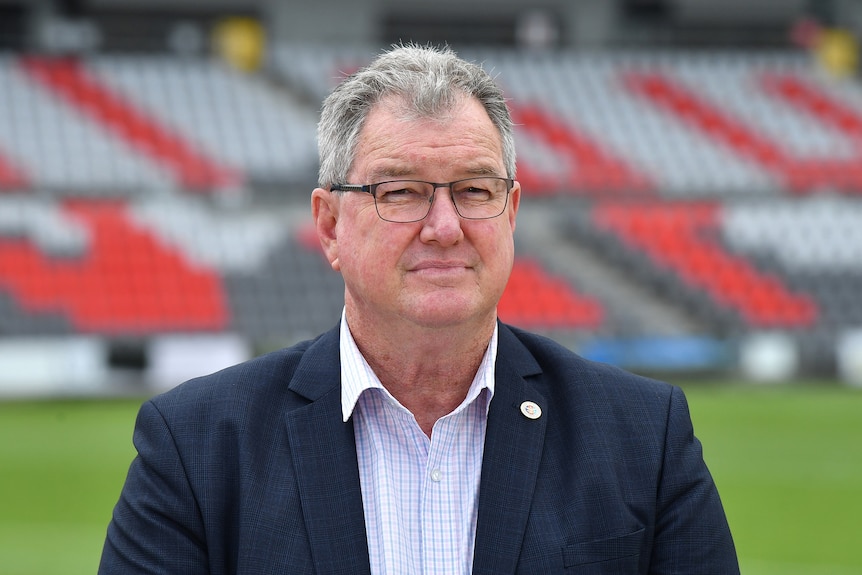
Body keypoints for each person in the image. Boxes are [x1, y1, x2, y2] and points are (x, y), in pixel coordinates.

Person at [99, 44, 739, 574]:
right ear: (329, 226)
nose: (444, 226)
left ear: (510, 214)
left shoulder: (642, 437)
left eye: (474, 190)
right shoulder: (197, 446)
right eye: (401, 191)